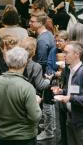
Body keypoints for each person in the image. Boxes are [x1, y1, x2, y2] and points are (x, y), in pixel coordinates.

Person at [0, 47, 42, 145]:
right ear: (25, 63)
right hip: (25, 137)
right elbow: (35, 116)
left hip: (3, 136)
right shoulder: (27, 87)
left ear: (7, 62)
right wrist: (36, 103)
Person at [52, 41, 83, 145]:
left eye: (67, 52)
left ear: (76, 54)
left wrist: (70, 98)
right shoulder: (70, 70)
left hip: (81, 121)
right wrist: (62, 91)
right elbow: (74, 91)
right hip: (70, 118)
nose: (64, 55)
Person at [29, 11, 56, 141]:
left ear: (40, 23)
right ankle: (50, 125)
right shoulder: (48, 34)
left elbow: (41, 62)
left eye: (32, 21)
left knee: (47, 102)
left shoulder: (42, 39)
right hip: (49, 72)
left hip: (45, 74)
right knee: (49, 101)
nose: (30, 23)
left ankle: (48, 131)